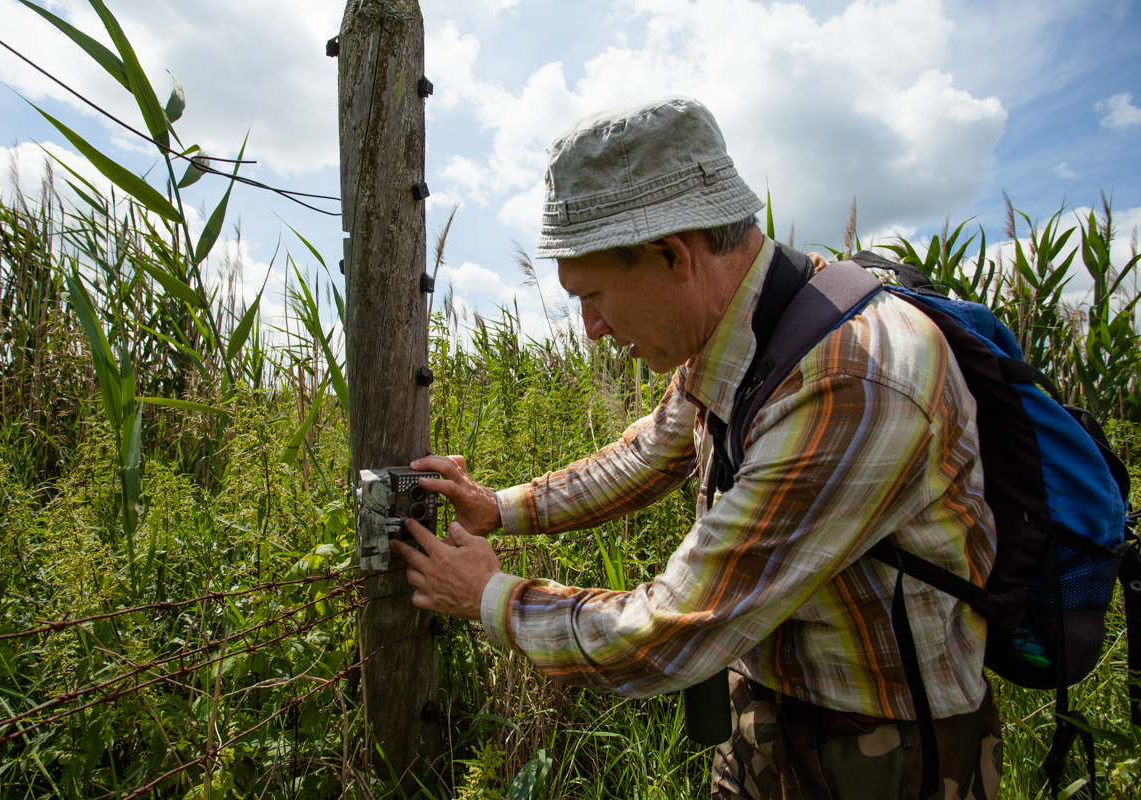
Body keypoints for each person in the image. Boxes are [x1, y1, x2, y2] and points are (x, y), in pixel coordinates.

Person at [388, 96, 1002, 800]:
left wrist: (490, 597)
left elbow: (674, 633)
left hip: (887, 752)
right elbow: (649, 454)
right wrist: (496, 508)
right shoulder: (746, 329)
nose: (590, 329)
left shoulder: (848, 379)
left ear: (673, 257)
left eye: (593, 296)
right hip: (773, 708)